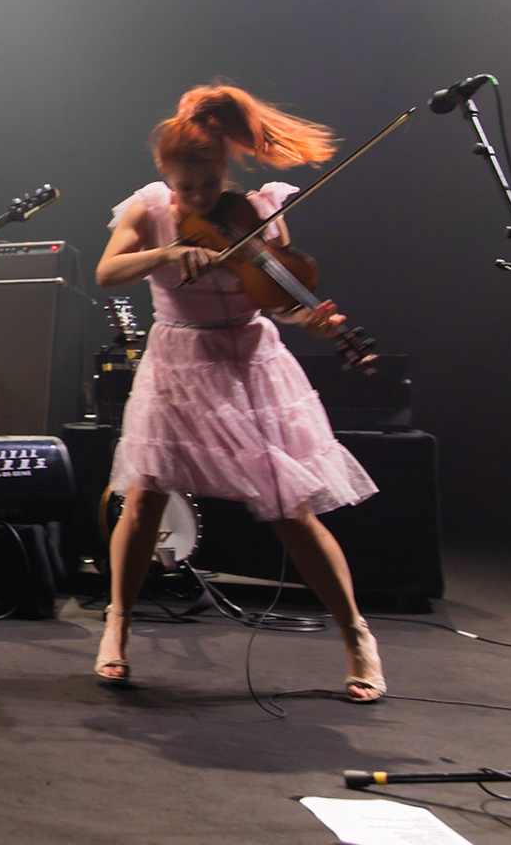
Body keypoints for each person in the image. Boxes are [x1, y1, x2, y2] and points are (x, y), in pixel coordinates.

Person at [93, 84, 385, 702]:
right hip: (179, 360)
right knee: (144, 498)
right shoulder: (150, 209)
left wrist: (310, 320)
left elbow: (275, 299)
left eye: (209, 183)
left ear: (225, 169)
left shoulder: (259, 211)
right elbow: (106, 271)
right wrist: (169, 252)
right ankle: (117, 624)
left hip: (248, 364)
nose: (200, 197)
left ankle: (357, 635)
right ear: (166, 175)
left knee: (289, 507)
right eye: (187, 187)